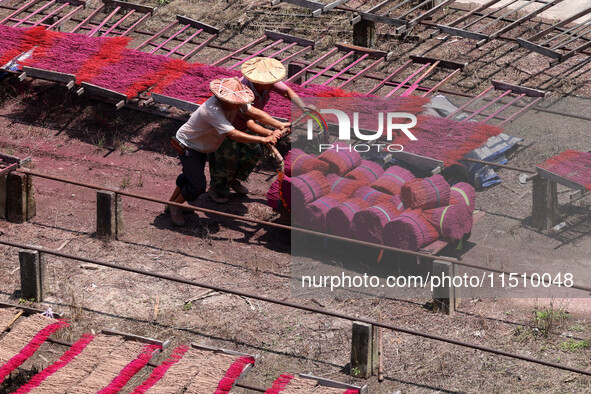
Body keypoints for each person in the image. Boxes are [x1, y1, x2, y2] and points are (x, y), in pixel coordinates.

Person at [168, 77, 289, 226]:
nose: (238, 105)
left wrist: (279, 124)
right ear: (222, 99)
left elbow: (254, 112)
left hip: (200, 146)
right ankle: (175, 207)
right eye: (234, 102)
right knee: (198, 185)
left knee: (189, 176)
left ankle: (172, 203)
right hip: (188, 145)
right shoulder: (212, 110)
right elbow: (233, 134)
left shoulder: (235, 101)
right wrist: (263, 139)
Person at [208, 57, 311, 203]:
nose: (273, 84)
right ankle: (216, 189)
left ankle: (233, 180)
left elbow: (287, 92)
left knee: (254, 152)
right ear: (258, 81)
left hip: (243, 125)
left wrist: (304, 108)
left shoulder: (267, 82)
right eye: (270, 82)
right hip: (227, 129)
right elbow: (250, 122)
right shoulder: (243, 90)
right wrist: (270, 133)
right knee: (227, 159)